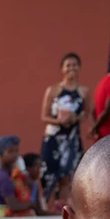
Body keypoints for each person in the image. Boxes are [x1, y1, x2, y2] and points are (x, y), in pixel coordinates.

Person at [39, 52, 91, 197]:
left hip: (72, 138)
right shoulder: (53, 90)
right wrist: (59, 121)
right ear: (62, 68)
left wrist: (76, 117)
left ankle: (62, 204)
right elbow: (44, 116)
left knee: (69, 172)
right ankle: (46, 203)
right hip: (54, 136)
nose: (71, 68)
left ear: (79, 67)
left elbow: (87, 113)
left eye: (74, 65)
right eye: (68, 65)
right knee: (49, 170)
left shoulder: (84, 92)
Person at [0, 135, 33, 217]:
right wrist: (31, 204)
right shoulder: (3, 177)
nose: (15, 155)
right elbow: (13, 206)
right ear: (1, 153)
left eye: (17, 151)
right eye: (10, 152)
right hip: (3, 218)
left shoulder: (10, 172)